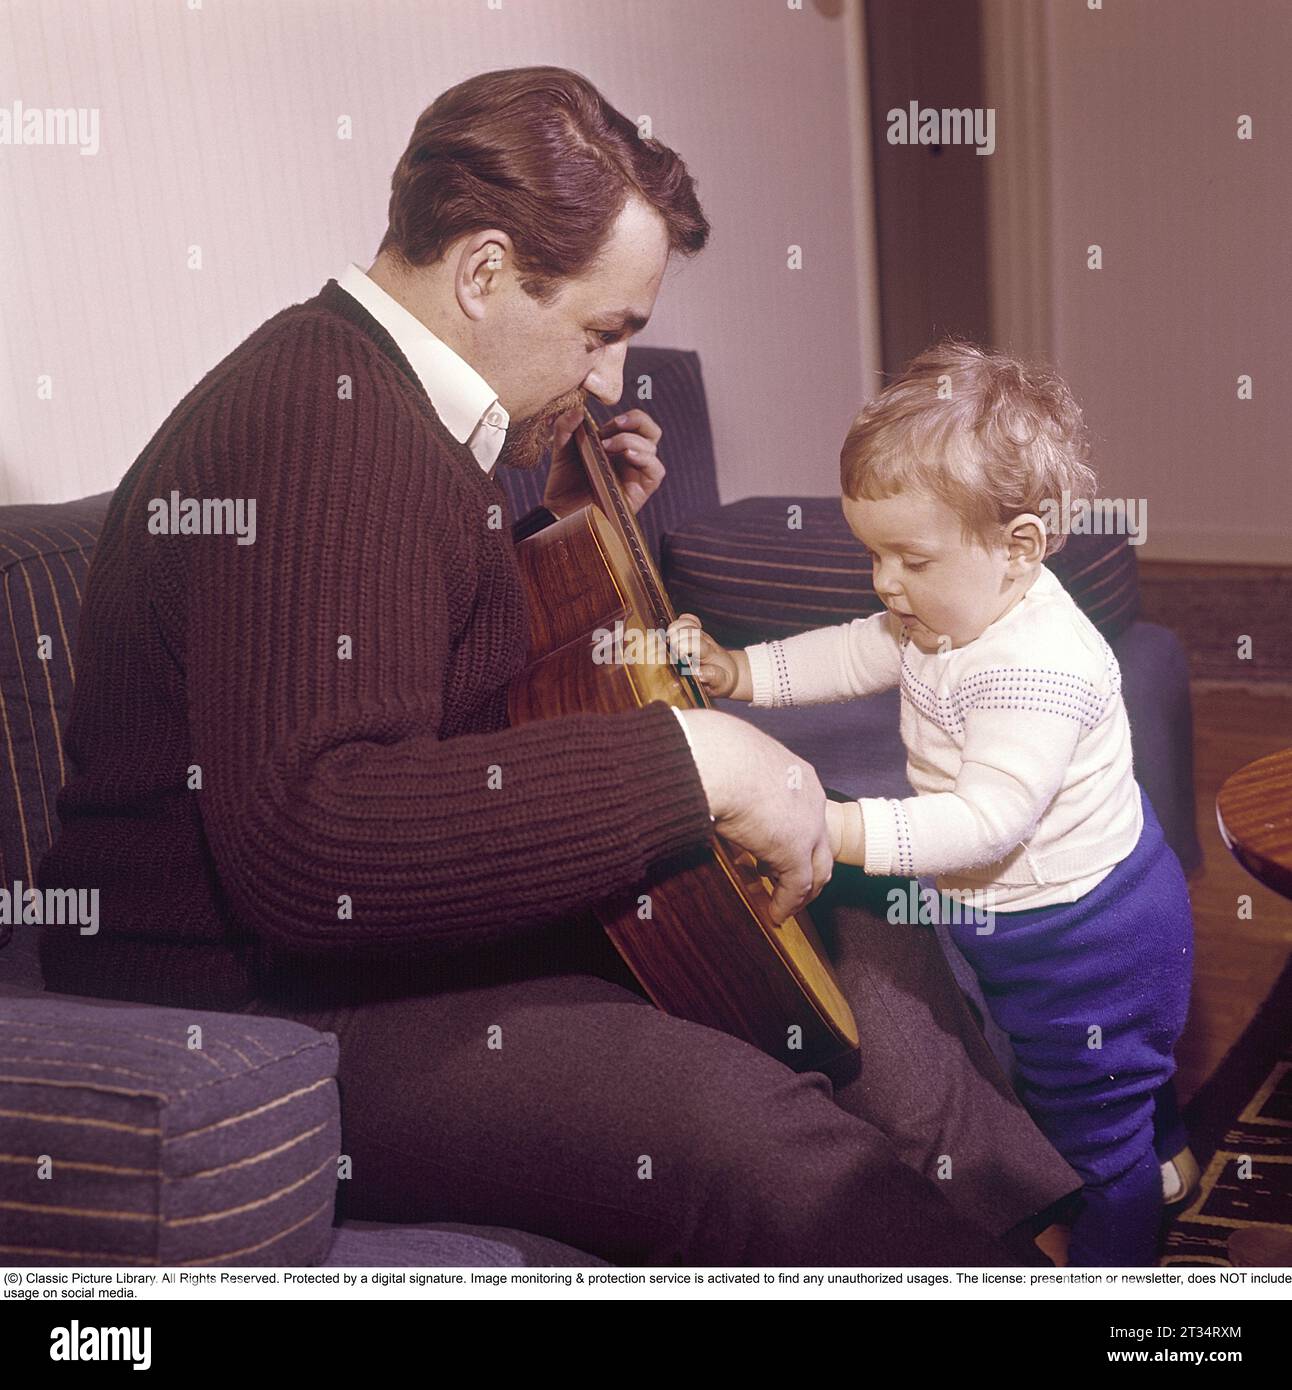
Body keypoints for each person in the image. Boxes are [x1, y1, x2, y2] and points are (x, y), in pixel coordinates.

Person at [38, 68, 1080, 1266]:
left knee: (847, 908)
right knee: (734, 1127)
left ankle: (1023, 1239)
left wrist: (568, 533)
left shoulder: (419, 411)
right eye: (601, 333)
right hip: (247, 996)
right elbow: (312, 838)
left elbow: (434, 674)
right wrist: (696, 761)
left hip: (386, 939)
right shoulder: (317, 419)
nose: (610, 380)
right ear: (482, 271)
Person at [671, 339, 1195, 1266]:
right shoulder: (940, 611)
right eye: (873, 555)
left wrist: (835, 825)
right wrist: (741, 671)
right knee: (1107, 1071)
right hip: (1032, 913)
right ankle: (1166, 1145)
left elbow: (989, 822)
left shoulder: (1039, 668)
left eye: (909, 559)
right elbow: (853, 651)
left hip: (1091, 934)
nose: (884, 584)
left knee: (1091, 1127)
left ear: (1019, 549)